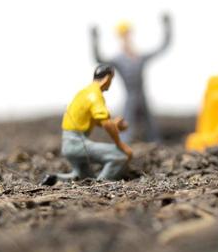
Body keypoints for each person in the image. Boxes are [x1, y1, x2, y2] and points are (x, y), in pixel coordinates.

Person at [42, 64, 133, 185]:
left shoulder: (84, 93)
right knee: (120, 156)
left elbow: (99, 121)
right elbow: (106, 124)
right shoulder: (95, 95)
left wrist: (115, 124)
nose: (110, 83)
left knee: (84, 176)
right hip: (78, 143)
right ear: (107, 78)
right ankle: (102, 186)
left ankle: (53, 179)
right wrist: (120, 145)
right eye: (111, 80)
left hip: (68, 143)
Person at [90, 12, 172, 142]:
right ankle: (123, 142)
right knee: (127, 123)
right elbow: (99, 58)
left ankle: (155, 141)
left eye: (128, 34)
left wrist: (167, 26)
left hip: (142, 96)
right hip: (131, 97)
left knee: (150, 124)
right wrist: (94, 39)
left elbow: (163, 47)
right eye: (124, 35)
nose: (127, 38)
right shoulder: (119, 60)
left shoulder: (139, 57)